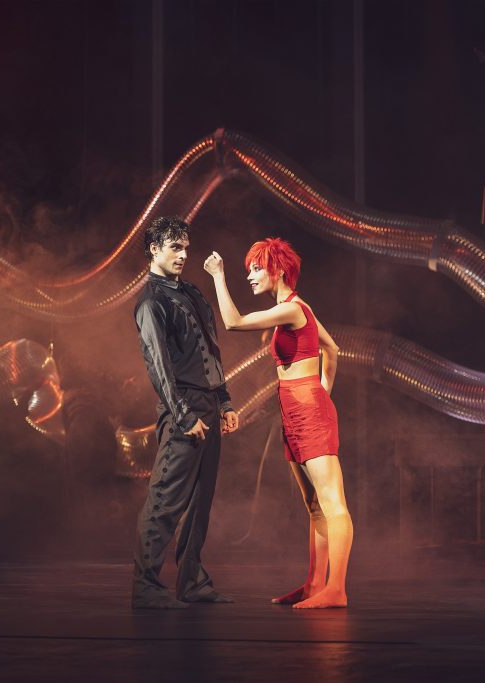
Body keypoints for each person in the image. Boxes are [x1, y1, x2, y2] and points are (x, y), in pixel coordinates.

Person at [204, 238, 352, 609]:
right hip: (295, 409)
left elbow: (234, 322)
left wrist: (218, 276)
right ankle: (314, 585)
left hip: (308, 409)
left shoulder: (292, 309)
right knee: (314, 504)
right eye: (249, 270)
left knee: (332, 502)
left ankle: (336, 589)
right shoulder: (296, 309)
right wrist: (322, 390)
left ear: (279, 271)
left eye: (257, 269)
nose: (250, 276)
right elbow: (332, 349)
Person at [131, 216, 240, 609]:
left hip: (207, 402)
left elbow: (211, 349)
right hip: (183, 407)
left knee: (199, 500)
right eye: (174, 247)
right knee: (166, 498)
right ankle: (146, 586)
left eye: (185, 248)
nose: (182, 255)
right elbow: (158, 365)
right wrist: (183, 415)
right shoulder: (151, 301)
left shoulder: (190, 292)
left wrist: (224, 401)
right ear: (154, 249)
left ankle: (192, 582)